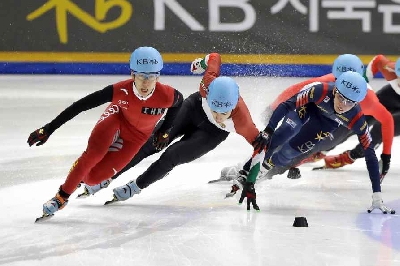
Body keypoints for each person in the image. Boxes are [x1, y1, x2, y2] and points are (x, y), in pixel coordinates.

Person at [77, 52, 269, 211]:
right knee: (150, 142)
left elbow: (260, 149)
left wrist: (251, 181)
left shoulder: (243, 122)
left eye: (224, 113)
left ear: (234, 107)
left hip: (212, 134)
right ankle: (107, 176)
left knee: (172, 155)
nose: (219, 116)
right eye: (215, 109)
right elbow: (214, 57)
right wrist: (199, 63)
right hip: (193, 109)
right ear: (208, 95)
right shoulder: (207, 83)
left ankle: (135, 187)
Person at [28, 47, 183, 220]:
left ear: (158, 77)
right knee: (94, 154)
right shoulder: (120, 90)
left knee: (93, 179)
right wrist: (50, 128)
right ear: (132, 75)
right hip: (117, 117)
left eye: (151, 77)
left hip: (137, 137)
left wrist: (164, 130)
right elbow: (80, 105)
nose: (146, 83)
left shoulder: (168, 95)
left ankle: (81, 176)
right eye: (141, 76)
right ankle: (62, 196)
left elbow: (178, 104)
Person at [236, 71, 395, 214]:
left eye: (349, 103)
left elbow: (370, 154)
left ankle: (264, 169)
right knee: (282, 134)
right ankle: (247, 167)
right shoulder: (320, 90)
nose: (342, 105)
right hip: (307, 107)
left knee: (289, 153)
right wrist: (269, 130)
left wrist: (377, 193)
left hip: (326, 123)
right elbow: (287, 104)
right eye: (340, 98)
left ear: (356, 104)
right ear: (334, 90)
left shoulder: (357, 118)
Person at [219, 54, 394, 182]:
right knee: (286, 133)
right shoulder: (328, 83)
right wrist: (274, 108)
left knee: (301, 150)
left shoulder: (368, 101)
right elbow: (297, 91)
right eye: (338, 84)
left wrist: (386, 156)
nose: (339, 95)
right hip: (316, 113)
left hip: (339, 126)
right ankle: (250, 166)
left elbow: (387, 121)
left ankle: (266, 173)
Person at [314, 55, 400, 181]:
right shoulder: (390, 69)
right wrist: (364, 82)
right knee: (356, 121)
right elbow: (378, 60)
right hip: (390, 96)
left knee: (379, 130)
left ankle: (350, 157)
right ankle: (324, 149)